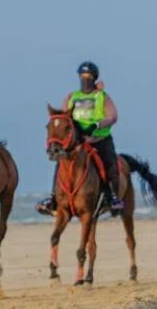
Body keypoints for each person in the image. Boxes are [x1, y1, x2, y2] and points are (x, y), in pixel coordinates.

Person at [37, 62, 123, 215]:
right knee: (61, 162)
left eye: (88, 76)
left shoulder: (102, 96)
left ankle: (113, 198)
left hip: (99, 139)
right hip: (78, 142)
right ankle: (53, 198)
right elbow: (63, 117)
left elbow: (113, 116)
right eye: (82, 76)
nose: (85, 79)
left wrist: (97, 125)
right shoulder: (72, 97)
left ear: (94, 78)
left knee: (109, 163)